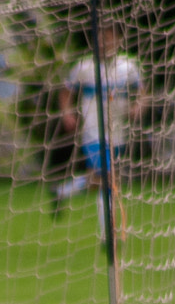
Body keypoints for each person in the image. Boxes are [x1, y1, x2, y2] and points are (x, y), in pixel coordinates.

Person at [54, 24, 144, 227]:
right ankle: (107, 235)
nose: (105, 43)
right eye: (102, 39)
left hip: (119, 131)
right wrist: (67, 113)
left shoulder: (128, 66)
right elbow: (65, 91)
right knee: (107, 178)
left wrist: (138, 105)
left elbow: (143, 90)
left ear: (119, 41)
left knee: (98, 179)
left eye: (110, 38)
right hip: (93, 132)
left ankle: (62, 191)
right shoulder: (84, 67)